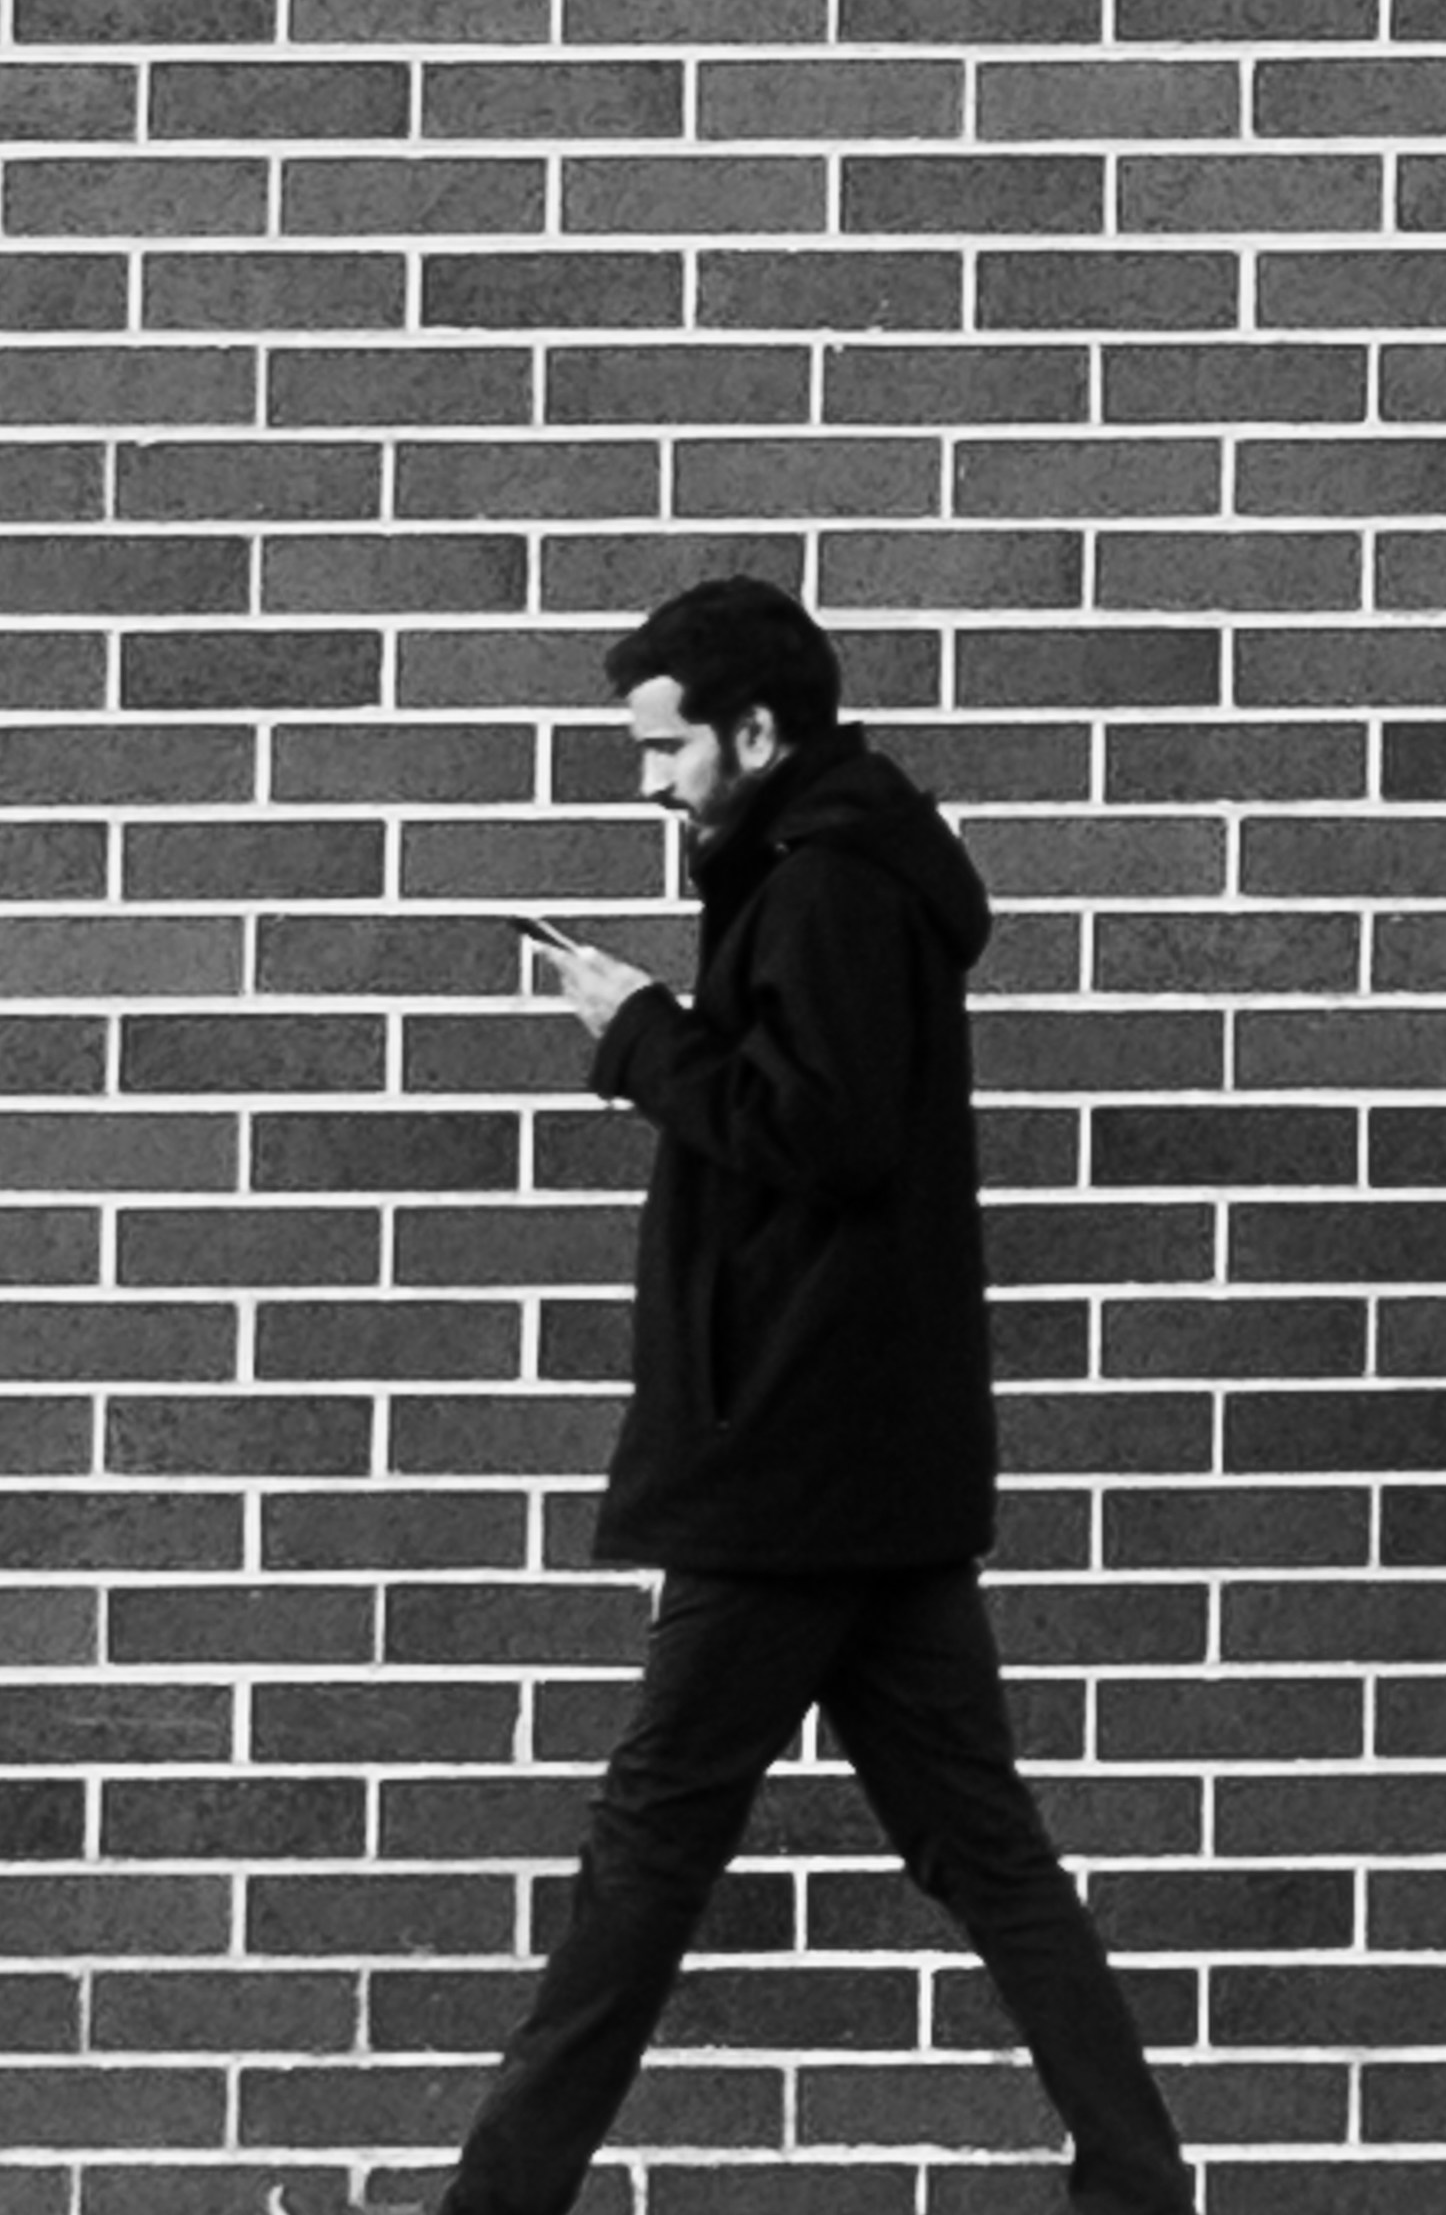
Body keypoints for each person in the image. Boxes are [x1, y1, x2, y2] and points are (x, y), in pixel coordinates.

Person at [358, 573, 1200, 2215]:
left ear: (756, 730)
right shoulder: (830, 872)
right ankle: (1140, 2185)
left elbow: (821, 1137)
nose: (647, 781)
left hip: (793, 1464)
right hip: (857, 1464)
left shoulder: (823, 889)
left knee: (650, 1852)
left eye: (665, 747)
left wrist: (636, 1035)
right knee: (982, 1850)